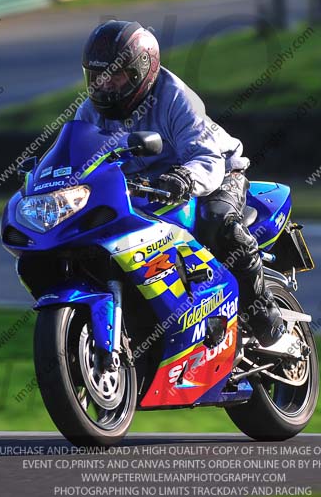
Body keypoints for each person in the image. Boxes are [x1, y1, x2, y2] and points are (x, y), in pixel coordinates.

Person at [74, 20, 285, 346]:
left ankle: (262, 310)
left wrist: (184, 177)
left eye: (114, 75)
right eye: (98, 76)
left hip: (215, 174)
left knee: (219, 224)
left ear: (140, 70)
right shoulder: (90, 111)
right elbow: (77, 156)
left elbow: (208, 158)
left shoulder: (174, 97)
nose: (105, 85)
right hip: (144, 187)